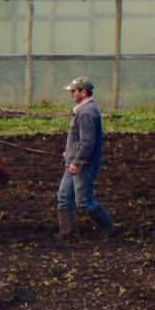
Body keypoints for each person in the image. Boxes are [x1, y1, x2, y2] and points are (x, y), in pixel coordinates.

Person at [57, 76, 114, 239]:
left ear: (83, 92)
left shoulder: (87, 112)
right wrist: (70, 153)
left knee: (83, 202)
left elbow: (88, 141)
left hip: (82, 165)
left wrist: (77, 161)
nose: (71, 94)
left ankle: (107, 226)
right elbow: (79, 139)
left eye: (74, 91)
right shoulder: (82, 110)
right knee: (63, 197)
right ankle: (67, 233)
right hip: (74, 162)